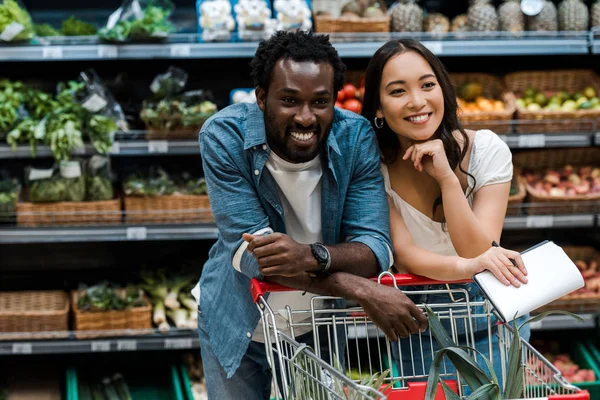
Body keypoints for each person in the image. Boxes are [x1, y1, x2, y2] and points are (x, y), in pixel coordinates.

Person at [195, 31, 427, 400]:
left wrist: (308, 256)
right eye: (289, 100)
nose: (305, 117)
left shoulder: (355, 138)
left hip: (318, 322)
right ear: (261, 98)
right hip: (237, 317)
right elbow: (252, 257)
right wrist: (358, 287)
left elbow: (375, 247)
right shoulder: (224, 136)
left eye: (320, 102)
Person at [361, 39, 531, 386]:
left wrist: (447, 180)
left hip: (492, 315)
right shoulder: (372, 168)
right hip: (419, 323)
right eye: (398, 91)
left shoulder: (486, 150)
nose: (418, 101)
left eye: (428, 85)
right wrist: (468, 268)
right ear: (378, 108)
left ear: (443, 89)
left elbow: (479, 249)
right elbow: (405, 256)